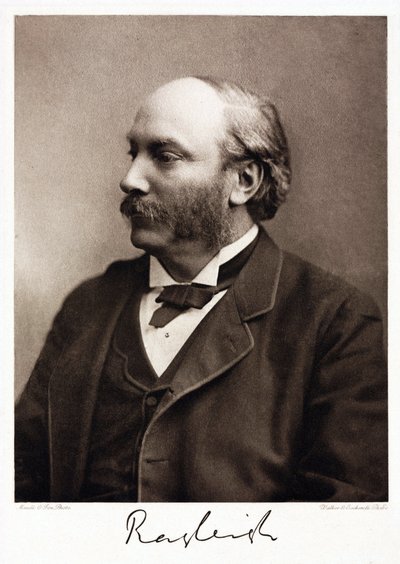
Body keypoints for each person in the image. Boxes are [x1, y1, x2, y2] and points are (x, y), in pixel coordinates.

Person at [15, 76, 387, 502]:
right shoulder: (88, 305)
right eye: (134, 153)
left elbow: (341, 519)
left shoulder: (336, 322)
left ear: (244, 180)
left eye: (165, 157)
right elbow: (20, 483)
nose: (130, 179)